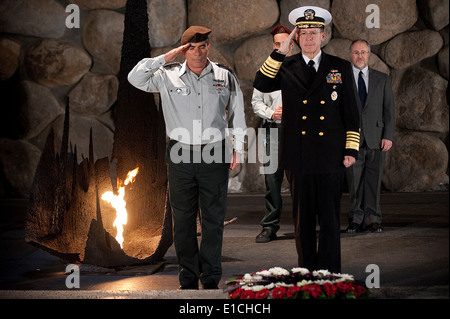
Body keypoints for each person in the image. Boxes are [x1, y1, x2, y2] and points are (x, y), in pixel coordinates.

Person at [128, 26, 247, 289]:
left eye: (202, 46)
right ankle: (188, 278)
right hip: (180, 154)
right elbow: (134, 77)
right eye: (190, 48)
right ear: (183, 50)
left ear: (209, 47)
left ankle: (212, 278)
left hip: (215, 152)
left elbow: (237, 112)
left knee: (214, 219)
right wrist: (167, 57)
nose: (197, 52)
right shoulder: (166, 76)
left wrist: (238, 147)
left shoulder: (224, 76)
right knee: (182, 221)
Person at [253, 6, 360, 273]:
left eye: (314, 32)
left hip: (331, 156)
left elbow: (351, 112)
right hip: (299, 157)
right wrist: (280, 51)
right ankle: (308, 273)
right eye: (303, 33)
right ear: (296, 38)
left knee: (330, 221)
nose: (309, 37)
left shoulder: (340, 67)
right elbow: (262, 83)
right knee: (302, 223)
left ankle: (331, 274)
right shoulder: (285, 65)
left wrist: (351, 149)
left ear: (323, 36)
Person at [346, 39, 395, 233]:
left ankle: (373, 219)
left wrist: (388, 135)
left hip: (376, 137)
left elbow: (389, 110)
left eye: (363, 52)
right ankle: (355, 219)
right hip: (352, 139)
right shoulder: (343, 79)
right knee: (354, 181)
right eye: (356, 52)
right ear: (351, 54)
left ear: (369, 54)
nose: (360, 56)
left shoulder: (382, 79)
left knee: (373, 182)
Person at [252, 25, 294, 243]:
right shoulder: (266, 70)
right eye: (278, 44)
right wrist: (271, 112)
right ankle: (269, 226)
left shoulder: (299, 67)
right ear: (274, 46)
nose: (281, 47)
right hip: (272, 131)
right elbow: (255, 102)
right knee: (272, 180)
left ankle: (303, 224)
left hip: (297, 131)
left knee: (300, 179)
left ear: (292, 44)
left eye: (285, 43)